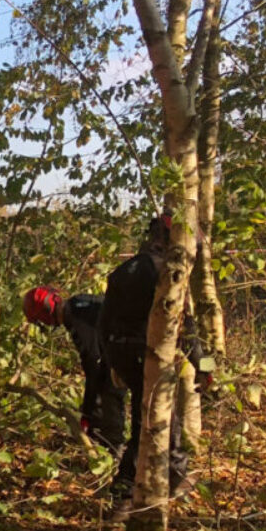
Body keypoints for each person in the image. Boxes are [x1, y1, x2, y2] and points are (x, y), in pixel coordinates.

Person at [99, 215, 206, 508]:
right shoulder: (168, 275)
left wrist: (112, 363)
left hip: (122, 354)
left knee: (147, 420)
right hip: (147, 356)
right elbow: (186, 329)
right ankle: (138, 490)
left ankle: (149, 485)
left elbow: (103, 325)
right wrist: (205, 368)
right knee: (157, 423)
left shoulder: (123, 271)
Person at [23, 285, 126, 451]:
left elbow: (93, 362)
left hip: (127, 343)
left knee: (110, 390)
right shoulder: (78, 304)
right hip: (121, 342)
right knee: (104, 386)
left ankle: (114, 448)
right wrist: (88, 410)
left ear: (45, 313)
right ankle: (103, 439)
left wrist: (88, 412)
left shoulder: (77, 316)